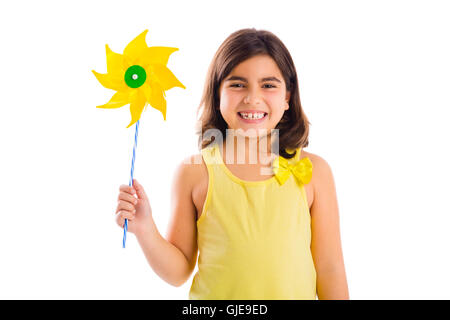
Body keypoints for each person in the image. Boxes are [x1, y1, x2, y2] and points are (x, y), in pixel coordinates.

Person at [115, 28, 349, 300]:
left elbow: (330, 268)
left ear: (287, 97)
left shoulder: (315, 172)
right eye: (237, 84)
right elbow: (178, 272)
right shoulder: (194, 172)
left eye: (268, 85)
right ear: (217, 94)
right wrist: (145, 227)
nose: (252, 97)